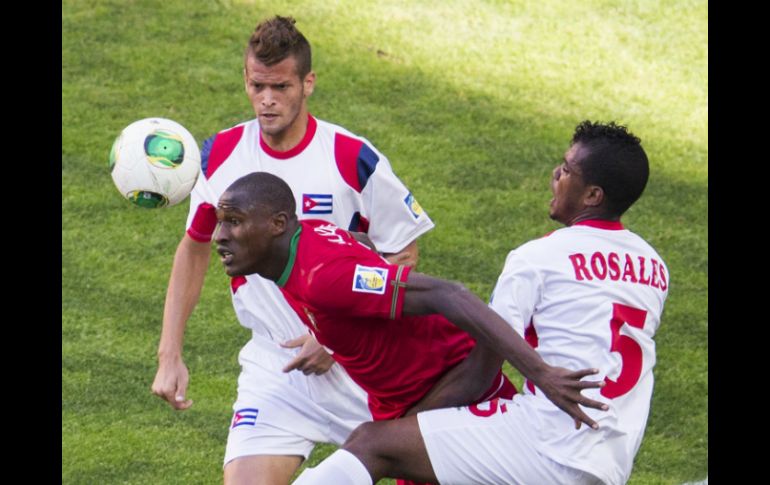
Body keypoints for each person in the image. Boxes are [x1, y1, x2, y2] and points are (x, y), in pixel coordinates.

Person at [292, 120, 670, 485]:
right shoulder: (655, 267)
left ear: (592, 196)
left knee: (371, 443)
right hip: (612, 456)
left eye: (567, 170)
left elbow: (482, 369)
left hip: (550, 442)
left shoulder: (539, 257)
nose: (556, 174)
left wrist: (409, 423)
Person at [150, 16, 435, 485]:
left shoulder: (349, 157)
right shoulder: (220, 155)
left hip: (363, 366)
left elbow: (402, 252)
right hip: (276, 367)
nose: (267, 99)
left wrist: (334, 337)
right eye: (257, 85)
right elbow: (194, 247)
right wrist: (169, 354)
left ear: (308, 83)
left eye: (280, 87)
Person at [214, 171, 611, 478]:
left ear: (278, 224)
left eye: (234, 221)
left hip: (453, 390)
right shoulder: (308, 239)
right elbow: (359, 244)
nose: (219, 236)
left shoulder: (324, 279)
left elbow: (449, 294)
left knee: (366, 447)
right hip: (406, 403)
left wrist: (542, 374)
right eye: (220, 222)